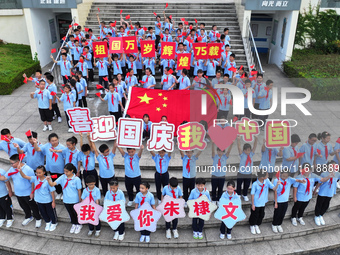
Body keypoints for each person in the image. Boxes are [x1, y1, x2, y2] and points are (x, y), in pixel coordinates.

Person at [0, 154, 42, 227]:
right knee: (23, 206)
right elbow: (4, 178)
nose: (11, 165)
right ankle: (28, 216)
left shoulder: (28, 169)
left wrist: (32, 192)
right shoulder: (12, 169)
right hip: (18, 193)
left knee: (33, 206)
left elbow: (32, 181)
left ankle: (38, 218)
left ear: (18, 162)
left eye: (12, 163)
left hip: (27, 193)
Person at [18, 165, 57, 231]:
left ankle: (54, 222)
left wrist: (53, 201)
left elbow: (52, 191)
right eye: (37, 172)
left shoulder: (47, 180)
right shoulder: (35, 178)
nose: (38, 174)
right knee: (43, 212)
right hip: (39, 200)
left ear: (44, 172)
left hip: (47, 200)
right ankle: (47, 222)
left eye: (39, 173)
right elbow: (24, 176)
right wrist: (20, 171)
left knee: (50, 212)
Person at [47, 163, 82, 234]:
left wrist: (80, 200)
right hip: (66, 200)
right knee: (70, 213)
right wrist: (48, 180)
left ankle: (79, 224)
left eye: (67, 171)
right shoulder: (63, 177)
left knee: (76, 213)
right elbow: (53, 184)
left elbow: (79, 190)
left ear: (72, 171)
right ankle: (73, 223)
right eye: (64, 171)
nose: (65, 173)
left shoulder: (76, 179)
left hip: (74, 200)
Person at [33, 133, 66, 200]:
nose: (54, 142)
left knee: (62, 181)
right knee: (54, 181)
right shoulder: (47, 146)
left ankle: (64, 193)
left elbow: (66, 157)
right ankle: (59, 192)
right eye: (52, 141)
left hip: (61, 169)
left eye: (56, 140)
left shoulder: (62, 147)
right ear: (49, 141)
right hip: (52, 169)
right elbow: (37, 149)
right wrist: (35, 143)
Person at [249, 169, 279, 235]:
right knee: (254, 215)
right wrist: (253, 204)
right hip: (256, 203)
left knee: (261, 214)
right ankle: (252, 225)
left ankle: (257, 225)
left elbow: (273, 188)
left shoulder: (267, 181)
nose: (268, 176)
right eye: (266, 175)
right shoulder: (255, 184)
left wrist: (277, 185)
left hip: (263, 202)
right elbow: (252, 194)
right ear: (262, 177)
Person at [313, 161, 339, 226]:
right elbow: (319, 182)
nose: (332, 167)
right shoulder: (324, 174)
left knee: (326, 204)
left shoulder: (337, 174)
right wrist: (315, 189)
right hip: (323, 192)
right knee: (319, 204)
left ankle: (321, 215)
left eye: (334, 166)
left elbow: (337, 180)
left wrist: (334, 190)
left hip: (330, 192)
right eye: (331, 166)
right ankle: (316, 216)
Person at [236, 135, 258, 201]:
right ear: (244, 150)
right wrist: (238, 140)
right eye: (246, 150)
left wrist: (256, 139)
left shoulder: (251, 154)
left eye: (249, 150)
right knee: (239, 184)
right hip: (241, 173)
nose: (247, 151)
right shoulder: (242, 154)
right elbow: (239, 147)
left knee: (247, 185)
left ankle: (245, 195)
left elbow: (254, 147)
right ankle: (238, 194)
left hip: (248, 173)